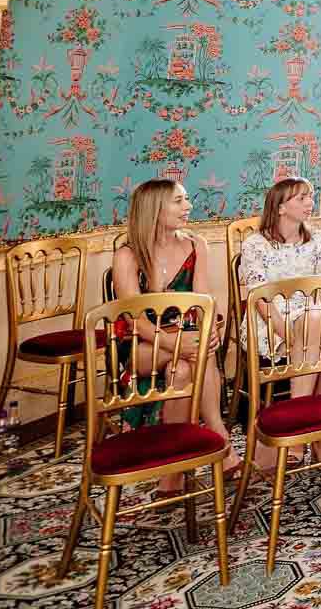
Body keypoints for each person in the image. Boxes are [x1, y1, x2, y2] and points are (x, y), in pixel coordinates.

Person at [112, 179, 237, 483]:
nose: (188, 207)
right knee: (193, 353)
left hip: (184, 336)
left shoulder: (197, 245)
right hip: (141, 343)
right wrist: (177, 343)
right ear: (155, 209)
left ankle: (173, 474)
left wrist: (211, 329)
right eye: (178, 201)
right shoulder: (127, 255)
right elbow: (134, 321)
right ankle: (220, 437)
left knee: (181, 370)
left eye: (186, 199)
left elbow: (203, 301)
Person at [239, 177, 321, 469]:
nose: (310, 203)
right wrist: (288, 334)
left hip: (312, 316)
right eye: (301, 199)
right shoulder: (255, 244)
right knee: (319, 328)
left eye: (310, 196)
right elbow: (259, 298)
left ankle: (305, 430)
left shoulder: (319, 239)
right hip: (270, 319)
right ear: (280, 207)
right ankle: (318, 436)